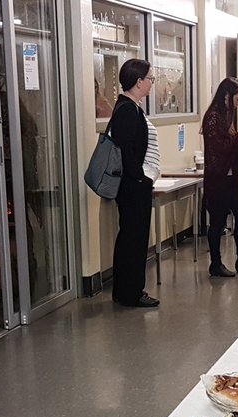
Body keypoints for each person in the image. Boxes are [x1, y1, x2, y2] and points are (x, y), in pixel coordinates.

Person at [108, 58, 161, 308]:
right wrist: (140, 177)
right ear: (139, 82)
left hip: (133, 184)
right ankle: (131, 292)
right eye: (150, 78)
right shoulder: (128, 109)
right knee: (134, 239)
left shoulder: (130, 106)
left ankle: (125, 290)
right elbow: (127, 150)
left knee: (130, 237)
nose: (152, 83)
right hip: (132, 186)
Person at [201, 77, 238, 277]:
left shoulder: (228, 115)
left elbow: (228, 145)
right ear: (227, 96)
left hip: (233, 177)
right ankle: (215, 264)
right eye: (237, 98)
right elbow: (218, 148)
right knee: (217, 221)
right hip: (218, 179)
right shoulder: (212, 116)